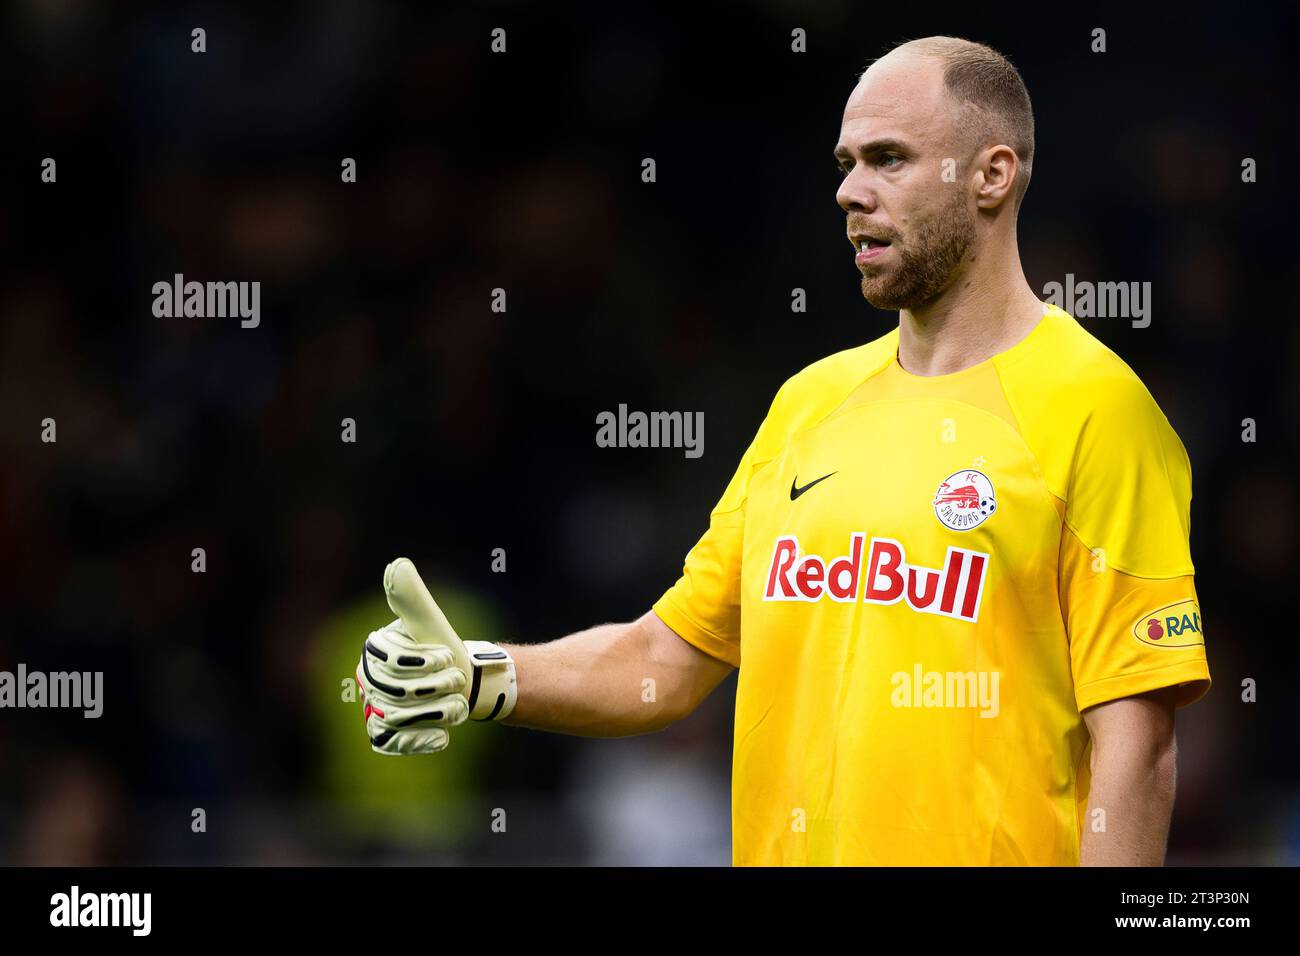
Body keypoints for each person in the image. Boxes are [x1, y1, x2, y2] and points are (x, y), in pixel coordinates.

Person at [356, 36, 1211, 866]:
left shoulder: (1099, 409)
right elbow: (665, 661)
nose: (851, 191)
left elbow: (1138, 751)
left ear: (992, 174)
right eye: (845, 165)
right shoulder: (809, 405)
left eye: (888, 159)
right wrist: (484, 676)